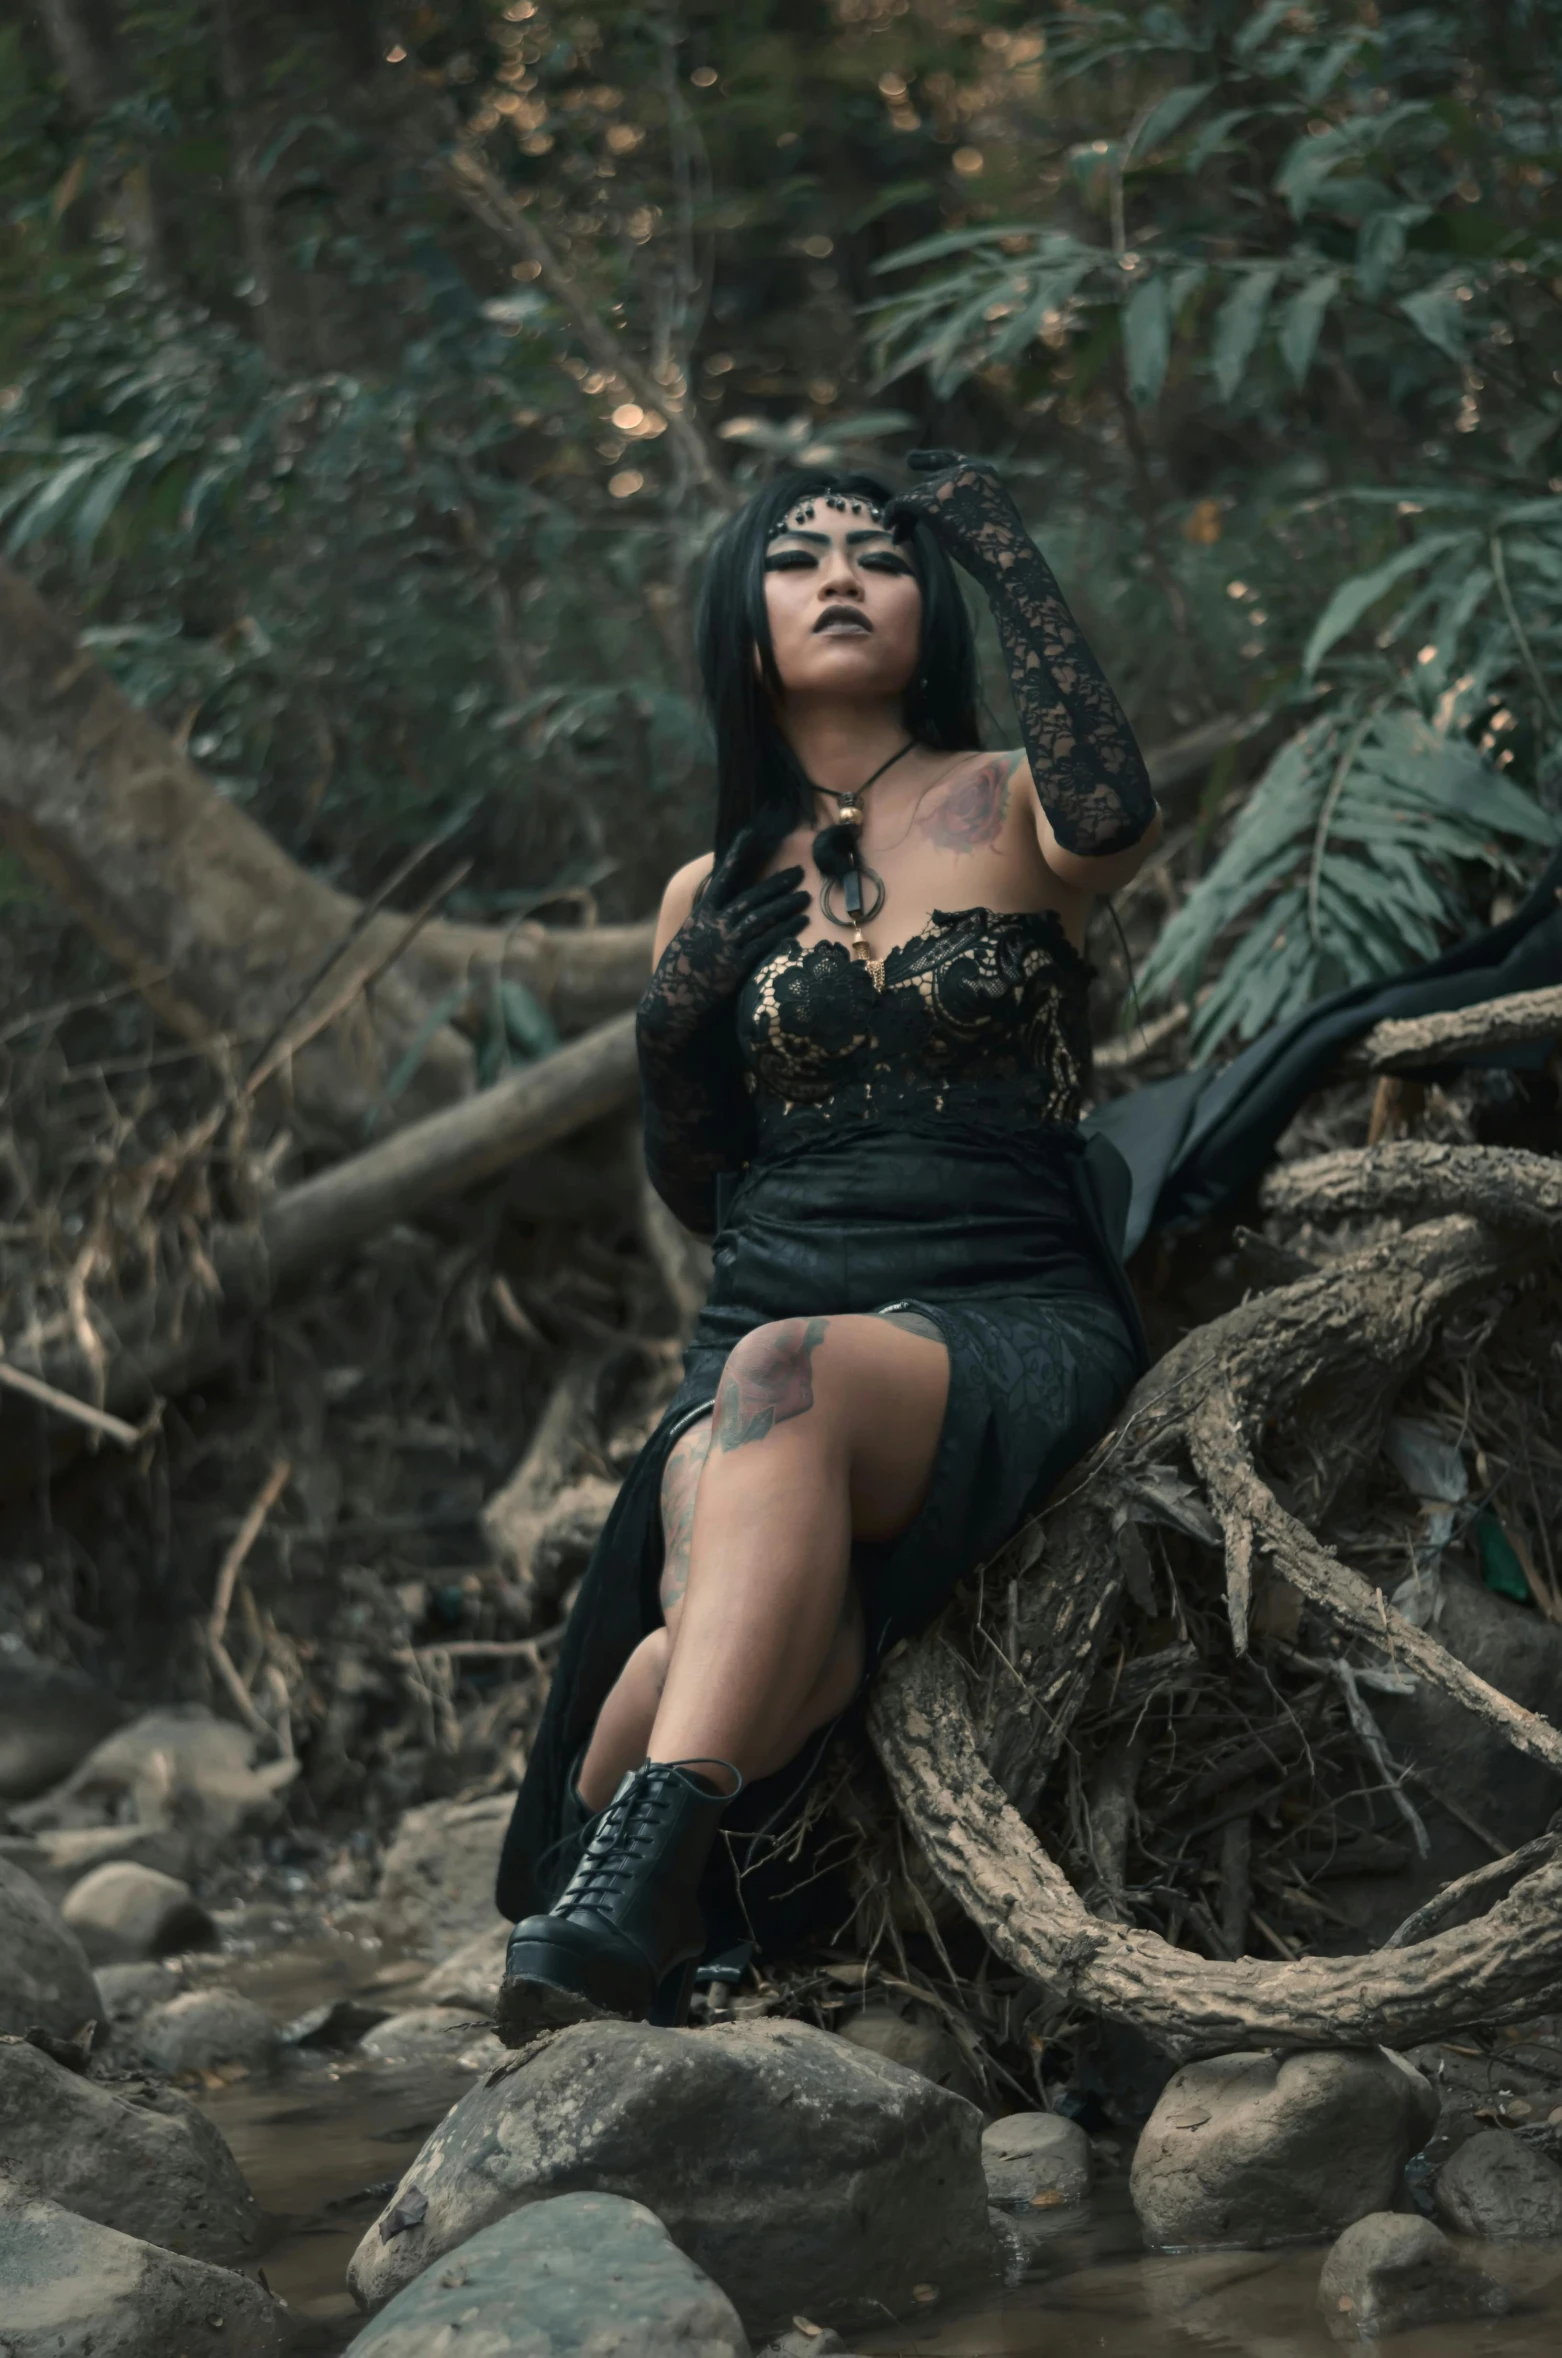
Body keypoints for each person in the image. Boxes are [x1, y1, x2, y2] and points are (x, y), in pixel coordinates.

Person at [494, 451, 1162, 2040]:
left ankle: (625, 1883)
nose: (846, 571)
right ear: (745, 623)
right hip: (764, 1316)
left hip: (1001, 1310)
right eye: (799, 557)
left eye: (884, 553)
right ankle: (638, 1939)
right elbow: (702, 1186)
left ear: (929, 610)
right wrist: (671, 1031)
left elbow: (1118, 818)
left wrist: (1004, 545)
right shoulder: (705, 891)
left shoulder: (1009, 798)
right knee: (689, 1636)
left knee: (764, 1445)